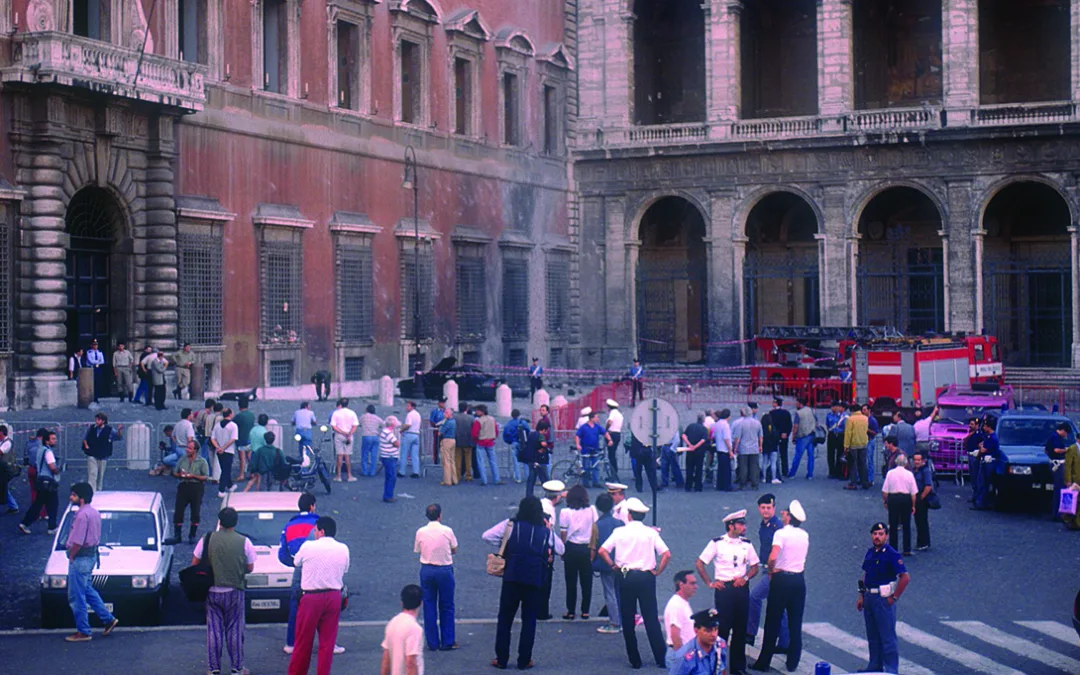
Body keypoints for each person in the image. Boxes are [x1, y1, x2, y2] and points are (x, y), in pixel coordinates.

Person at [484, 496, 561, 670]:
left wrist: (504, 544)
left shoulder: (510, 525)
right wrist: (550, 529)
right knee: (529, 620)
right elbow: (560, 549)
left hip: (512, 575)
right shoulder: (544, 530)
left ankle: (501, 658)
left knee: (505, 618)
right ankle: (524, 659)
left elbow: (487, 536)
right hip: (534, 577)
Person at [598, 497, 671, 670]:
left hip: (625, 573)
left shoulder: (619, 532)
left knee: (628, 616)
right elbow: (666, 554)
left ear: (629, 515)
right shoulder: (651, 533)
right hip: (646, 574)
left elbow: (603, 551)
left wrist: (614, 566)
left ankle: (635, 659)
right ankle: (661, 657)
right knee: (650, 617)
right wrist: (658, 571)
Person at [193, 507, 257, 675]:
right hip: (234, 591)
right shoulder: (244, 541)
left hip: (212, 590)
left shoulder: (207, 539)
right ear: (235, 522)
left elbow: (194, 563)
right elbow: (250, 567)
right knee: (235, 630)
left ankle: (214, 668)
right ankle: (237, 668)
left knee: (214, 631)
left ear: (219, 522)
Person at [695, 510, 758, 674]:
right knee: (722, 629)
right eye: (741, 524)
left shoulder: (747, 544)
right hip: (724, 590)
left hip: (741, 589)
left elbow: (755, 567)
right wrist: (710, 582)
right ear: (731, 526)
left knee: (740, 629)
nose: (744, 527)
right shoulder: (717, 543)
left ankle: (738, 668)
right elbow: (700, 563)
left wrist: (745, 577)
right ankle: (719, 666)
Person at [280, 494, 344, 656]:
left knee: (295, 606)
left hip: (299, 569)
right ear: (312, 506)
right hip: (319, 570)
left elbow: (283, 554)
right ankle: (329, 643)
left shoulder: (288, 526)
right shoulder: (319, 524)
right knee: (326, 610)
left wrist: (295, 564)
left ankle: (291, 643)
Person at [750, 500, 809, 673]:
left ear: (790, 517)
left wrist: (770, 568)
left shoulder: (781, 534)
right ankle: (792, 662)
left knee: (772, 621)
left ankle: (763, 662)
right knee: (795, 622)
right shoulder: (804, 535)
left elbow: (773, 555)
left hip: (781, 579)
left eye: (785, 513)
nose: (782, 514)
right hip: (799, 580)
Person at [287, 516, 350, 675]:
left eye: (315, 530)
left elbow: (297, 563)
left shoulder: (308, 546)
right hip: (334, 596)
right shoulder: (343, 548)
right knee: (327, 644)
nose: (314, 533)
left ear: (321, 531)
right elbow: (345, 569)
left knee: (303, 642)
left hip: (311, 598)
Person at [63, 483, 120, 642]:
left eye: (73, 495)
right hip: (92, 556)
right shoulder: (94, 513)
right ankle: (108, 619)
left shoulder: (81, 516)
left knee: (76, 596)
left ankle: (84, 631)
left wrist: (71, 556)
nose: (70, 498)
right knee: (87, 589)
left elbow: (78, 541)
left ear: (81, 498)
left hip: (80, 557)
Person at [858, 522, 911, 674]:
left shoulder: (891, 554)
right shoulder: (870, 552)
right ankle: (874, 666)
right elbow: (865, 574)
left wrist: (894, 598)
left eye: (881, 534)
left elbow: (905, 577)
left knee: (887, 638)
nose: (877, 537)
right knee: (873, 636)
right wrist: (861, 595)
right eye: (875, 534)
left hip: (883, 599)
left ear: (886, 536)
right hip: (869, 597)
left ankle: (891, 670)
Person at [747, 494, 789, 653]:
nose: (766, 511)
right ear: (759, 509)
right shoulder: (765, 524)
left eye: (769, 508)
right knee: (779, 605)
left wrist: (772, 571)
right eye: (763, 508)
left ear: (774, 508)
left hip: (775, 570)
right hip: (770, 568)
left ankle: (750, 633)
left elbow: (779, 551)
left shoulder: (777, 527)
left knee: (754, 597)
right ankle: (785, 642)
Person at [415, 503, 458, 651]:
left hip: (427, 569)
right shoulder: (447, 530)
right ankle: (448, 641)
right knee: (447, 605)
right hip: (444, 570)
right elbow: (454, 549)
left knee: (429, 605)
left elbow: (418, 549)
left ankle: (432, 642)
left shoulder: (420, 531)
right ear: (440, 515)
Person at [558, 484, 597, 620]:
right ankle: (585, 610)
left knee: (571, 581)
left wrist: (562, 549)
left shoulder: (565, 512)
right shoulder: (592, 510)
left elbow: (563, 533)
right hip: (586, 547)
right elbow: (595, 530)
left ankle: (571, 611)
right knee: (587, 581)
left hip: (571, 547)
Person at [593, 492, 625, 635]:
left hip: (607, 564)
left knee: (609, 592)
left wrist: (591, 562)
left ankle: (615, 622)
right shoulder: (620, 523)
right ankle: (623, 618)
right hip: (621, 563)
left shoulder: (597, 525)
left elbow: (593, 547)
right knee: (620, 591)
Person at [19, 430, 61, 535]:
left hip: (41, 479)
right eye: (53, 439)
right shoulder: (48, 452)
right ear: (47, 441)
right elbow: (52, 467)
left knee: (38, 504)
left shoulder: (41, 450)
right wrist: (59, 470)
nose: (55, 441)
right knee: (53, 504)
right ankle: (52, 527)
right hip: (48, 481)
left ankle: (26, 523)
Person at [668, 608, 729, 675]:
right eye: (708, 630)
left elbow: (722, 669)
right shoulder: (683, 658)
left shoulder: (720, 644)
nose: (714, 634)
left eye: (716, 629)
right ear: (696, 631)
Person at [380, 584, 425, 675]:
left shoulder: (392, 623)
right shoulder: (415, 629)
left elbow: (386, 659)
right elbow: (410, 662)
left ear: (402, 602)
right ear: (420, 603)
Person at [173, 439, 209, 543]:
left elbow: (205, 477)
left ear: (195, 450)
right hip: (183, 486)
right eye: (187, 447)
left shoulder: (202, 462)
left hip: (196, 488)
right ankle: (177, 535)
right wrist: (180, 475)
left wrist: (193, 476)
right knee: (178, 512)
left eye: (189, 448)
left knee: (195, 513)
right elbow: (175, 472)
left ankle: (192, 535)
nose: (187, 450)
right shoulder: (182, 460)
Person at [882, 453, 917, 556]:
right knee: (906, 524)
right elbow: (913, 493)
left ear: (896, 462)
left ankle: (893, 548)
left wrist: (885, 501)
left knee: (893, 524)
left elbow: (884, 491)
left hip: (893, 498)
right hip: (906, 498)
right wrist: (913, 505)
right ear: (906, 463)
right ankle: (906, 549)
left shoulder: (890, 473)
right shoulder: (910, 474)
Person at [662, 571, 699, 669]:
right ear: (681, 585)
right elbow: (675, 636)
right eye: (692, 583)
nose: (696, 587)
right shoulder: (676, 606)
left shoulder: (682, 603)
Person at [82, 413, 123, 491]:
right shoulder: (91, 428)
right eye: (96, 419)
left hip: (103, 455)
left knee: (100, 475)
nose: (96, 421)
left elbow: (118, 437)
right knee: (92, 473)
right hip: (92, 454)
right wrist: (86, 446)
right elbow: (85, 438)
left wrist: (119, 430)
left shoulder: (109, 429)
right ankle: (92, 491)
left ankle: (98, 490)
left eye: (98, 420)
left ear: (103, 421)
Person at [972, 416, 1001, 510]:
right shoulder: (990, 437)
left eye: (985, 426)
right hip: (988, 462)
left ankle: (980, 503)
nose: (983, 428)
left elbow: (983, 449)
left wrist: (979, 451)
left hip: (989, 462)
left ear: (989, 427)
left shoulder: (992, 438)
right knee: (983, 482)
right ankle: (981, 502)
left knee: (983, 483)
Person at [733, 406, 763, 490]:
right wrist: (760, 446)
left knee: (743, 467)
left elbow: (738, 438)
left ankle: (743, 483)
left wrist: (735, 448)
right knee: (754, 466)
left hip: (743, 448)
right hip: (754, 447)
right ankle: (754, 483)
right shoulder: (757, 423)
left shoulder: (741, 424)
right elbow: (760, 436)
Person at [211, 408, 239, 497]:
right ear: (230, 414)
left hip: (219, 451)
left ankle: (230, 485)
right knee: (226, 470)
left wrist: (218, 447)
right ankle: (221, 490)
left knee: (224, 468)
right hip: (228, 450)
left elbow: (212, 438)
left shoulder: (217, 425)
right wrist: (223, 448)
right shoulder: (233, 426)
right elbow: (233, 439)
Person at [330, 398, 360, 482]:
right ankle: (349, 475)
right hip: (349, 435)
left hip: (339, 435)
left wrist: (342, 432)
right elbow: (355, 425)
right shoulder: (352, 413)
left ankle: (338, 476)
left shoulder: (336, 413)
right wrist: (349, 434)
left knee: (339, 455)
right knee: (347, 456)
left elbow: (333, 426)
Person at [844, 404, 872, 490]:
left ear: (852, 410)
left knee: (853, 464)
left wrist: (846, 446)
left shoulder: (850, 419)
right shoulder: (865, 418)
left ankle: (853, 483)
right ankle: (865, 482)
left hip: (854, 444)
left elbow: (848, 433)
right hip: (863, 443)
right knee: (863, 464)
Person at [472, 404, 502, 485]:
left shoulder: (478, 421)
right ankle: (496, 478)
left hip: (481, 442)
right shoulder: (492, 419)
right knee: (493, 461)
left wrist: (476, 440)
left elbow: (474, 433)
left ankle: (484, 480)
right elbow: (496, 430)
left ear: (481, 411)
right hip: (490, 442)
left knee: (481, 462)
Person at [1046, 422, 1070, 522]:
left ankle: (1058, 512)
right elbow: (1056, 450)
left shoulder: (1052, 436)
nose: (1066, 435)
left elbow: (1047, 450)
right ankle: (1058, 513)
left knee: (1058, 488)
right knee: (1059, 489)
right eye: (1066, 433)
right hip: (1058, 464)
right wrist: (1066, 450)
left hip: (1054, 463)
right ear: (1063, 430)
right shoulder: (1056, 437)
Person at [788, 397, 817, 480]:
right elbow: (816, 421)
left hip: (802, 436)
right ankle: (810, 474)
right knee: (811, 456)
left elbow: (795, 426)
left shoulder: (798, 413)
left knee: (798, 455)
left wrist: (793, 437)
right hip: (811, 435)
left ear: (800, 404)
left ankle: (792, 473)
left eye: (796, 403)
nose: (795, 404)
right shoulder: (811, 410)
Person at [522, 420, 551, 496]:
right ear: (544, 429)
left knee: (531, 479)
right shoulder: (540, 436)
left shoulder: (531, 434)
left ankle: (529, 495)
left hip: (531, 460)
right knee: (545, 480)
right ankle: (550, 495)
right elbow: (543, 444)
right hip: (539, 460)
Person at [911, 452, 934, 551]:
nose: (916, 462)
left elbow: (928, 486)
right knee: (918, 521)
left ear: (923, 461)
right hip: (916, 498)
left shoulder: (925, 471)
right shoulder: (914, 470)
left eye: (918, 460)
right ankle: (921, 542)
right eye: (915, 460)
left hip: (921, 499)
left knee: (922, 521)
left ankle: (924, 542)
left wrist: (921, 498)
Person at [576, 410, 604, 487]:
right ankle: (586, 483)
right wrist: (578, 444)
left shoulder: (597, 426)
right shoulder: (583, 427)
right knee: (586, 466)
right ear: (591, 418)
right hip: (585, 449)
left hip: (595, 448)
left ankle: (596, 482)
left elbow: (604, 432)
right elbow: (577, 435)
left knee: (595, 466)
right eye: (596, 417)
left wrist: (610, 440)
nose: (598, 418)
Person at [682, 414, 709, 492]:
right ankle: (698, 486)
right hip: (699, 452)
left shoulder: (690, 426)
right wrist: (695, 447)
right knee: (699, 469)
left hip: (689, 451)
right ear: (703, 420)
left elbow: (683, 435)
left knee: (689, 468)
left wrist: (690, 445)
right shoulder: (704, 429)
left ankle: (688, 486)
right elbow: (703, 440)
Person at [504, 409, 531, 484]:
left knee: (515, 461)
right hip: (523, 443)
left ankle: (518, 478)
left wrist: (509, 441)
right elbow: (528, 431)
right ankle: (528, 476)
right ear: (519, 415)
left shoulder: (509, 424)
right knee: (525, 460)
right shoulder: (523, 422)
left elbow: (505, 434)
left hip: (513, 442)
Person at [768, 398, 793, 477]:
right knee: (784, 453)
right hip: (784, 436)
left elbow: (770, 426)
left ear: (776, 403)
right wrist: (786, 433)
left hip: (774, 436)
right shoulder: (786, 413)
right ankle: (785, 471)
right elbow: (789, 425)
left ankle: (774, 470)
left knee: (773, 453)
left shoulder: (771, 413)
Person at [233, 397, 256, 481]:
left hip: (241, 440)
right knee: (249, 457)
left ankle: (241, 474)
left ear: (239, 406)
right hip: (250, 439)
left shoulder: (239, 416)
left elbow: (233, 423)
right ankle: (253, 473)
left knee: (242, 459)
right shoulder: (251, 415)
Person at [380, 415, 402, 503]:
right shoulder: (388, 433)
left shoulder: (384, 432)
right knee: (391, 477)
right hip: (390, 457)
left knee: (389, 476)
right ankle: (388, 496)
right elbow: (396, 443)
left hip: (386, 456)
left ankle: (388, 495)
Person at [357, 404, 382, 477]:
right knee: (374, 455)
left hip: (366, 436)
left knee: (364, 454)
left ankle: (365, 471)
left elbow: (358, 423)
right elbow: (383, 424)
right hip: (375, 437)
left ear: (367, 409)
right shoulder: (377, 418)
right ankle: (372, 472)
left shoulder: (363, 416)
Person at [825, 401, 848, 480]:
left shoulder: (843, 416)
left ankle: (838, 472)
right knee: (830, 454)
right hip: (832, 435)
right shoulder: (828, 415)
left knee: (839, 454)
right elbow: (827, 425)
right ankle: (831, 472)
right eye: (831, 406)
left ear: (838, 407)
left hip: (840, 435)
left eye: (834, 406)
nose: (832, 408)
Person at [400, 401, 423, 479]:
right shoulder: (418, 414)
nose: (407, 407)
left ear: (412, 407)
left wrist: (402, 430)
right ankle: (416, 471)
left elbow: (408, 425)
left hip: (409, 434)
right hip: (416, 434)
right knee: (415, 455)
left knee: (404, 453)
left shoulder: (409, 415)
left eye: (408, 406)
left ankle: (402, 471)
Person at [712, 409, 733, 492]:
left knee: (721, 469)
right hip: (725, 449)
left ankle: (720, 485)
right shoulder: (725, 425)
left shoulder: (717, 424)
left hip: (719, 448)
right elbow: (726, 438)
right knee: (727, 469)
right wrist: (730, 450)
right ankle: (727, 486)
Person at [454, 402, 475, 482]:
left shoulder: (455, 417)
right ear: (466, 409)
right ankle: (468, 475)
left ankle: (458, 475)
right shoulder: (471, 418)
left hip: (458, 440)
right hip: (468, 440)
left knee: (457, 459)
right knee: (468, 459)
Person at [660, 424, 685, 490]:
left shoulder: (673, 428)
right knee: (665, 465)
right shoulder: (668, 428)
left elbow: (677, 440)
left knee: (672, 466)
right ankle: (677, 482)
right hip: (666, 446)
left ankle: (678, 482)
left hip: (669, 446)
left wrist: (672, 449)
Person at [1062, 439, 1080, 530]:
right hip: (1075, 479)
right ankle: (1069, 520)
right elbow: (1068, 466)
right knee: (1073, 501)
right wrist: (1068, 480)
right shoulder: (1072, 449)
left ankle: (1077, 522)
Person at [606, 399, 624, 480]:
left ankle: (613, 473)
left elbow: (610, 422)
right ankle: (614, 472)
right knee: (613, 454)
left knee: (611, 455)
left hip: (612, 434)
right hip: (617, 434)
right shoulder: (620, 414)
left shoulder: (612, 413)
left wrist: (606, 429)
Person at [0, 426, 16, 515]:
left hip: (6, 470)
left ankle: (13, 506)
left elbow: (1, 452)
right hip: (3, 468)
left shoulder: (7, 443)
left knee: (3, 487)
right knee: (3, 488)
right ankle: (13, 506)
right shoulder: (2, 442)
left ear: (1, 433)